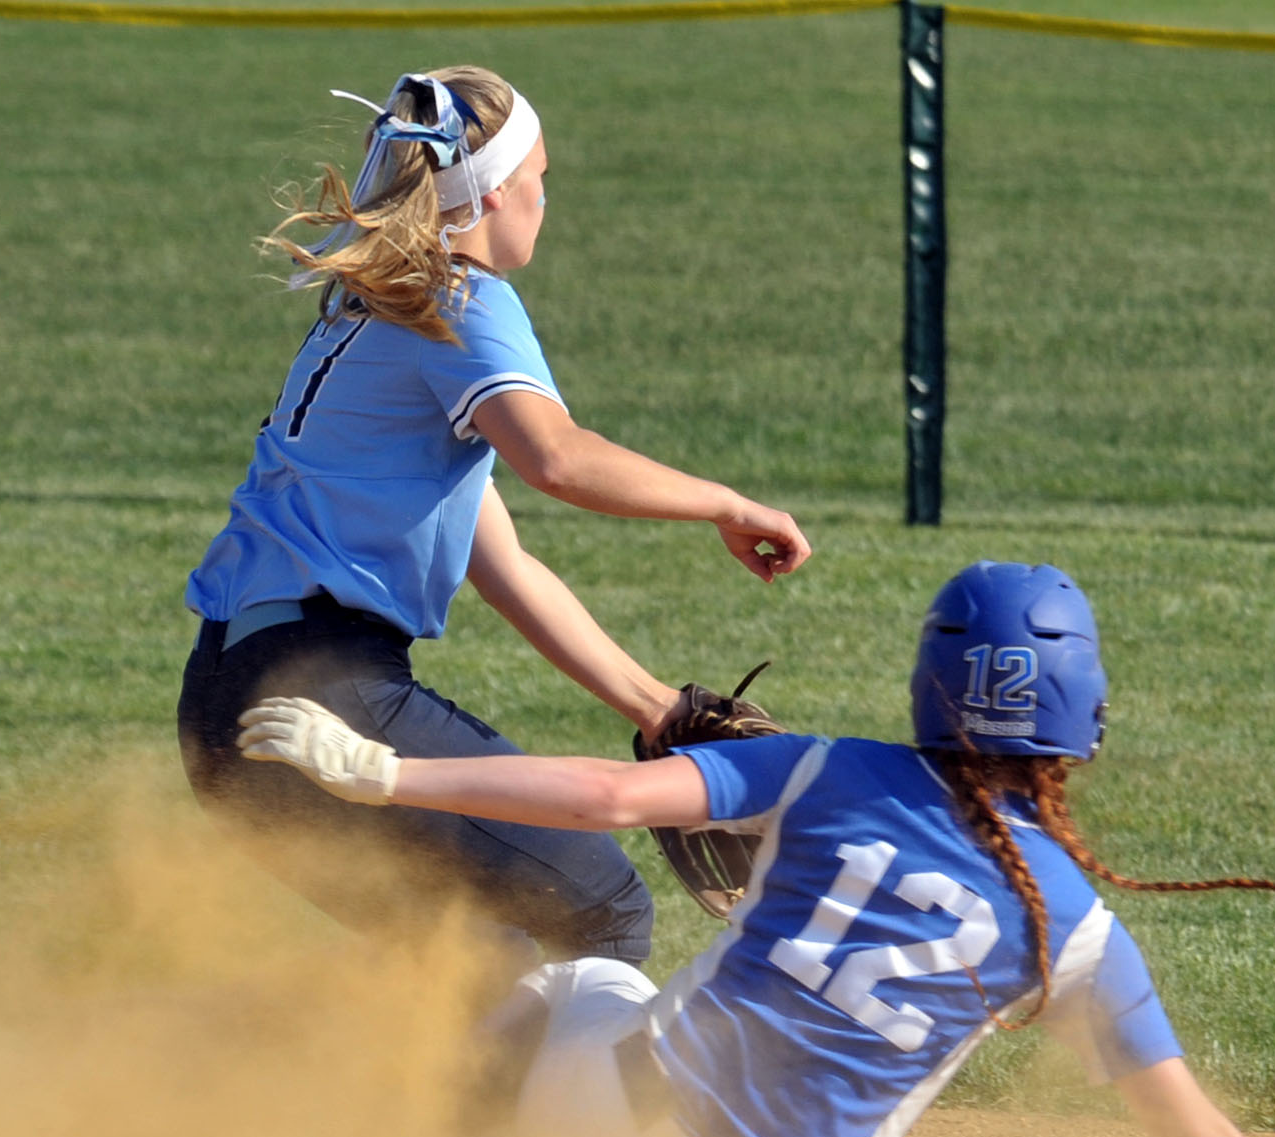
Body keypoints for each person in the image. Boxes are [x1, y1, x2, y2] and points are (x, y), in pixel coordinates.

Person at [234, 561, 1275, 1137]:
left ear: (929, 685)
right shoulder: (1074, 932)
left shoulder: (828, 772)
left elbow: (606, 797)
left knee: (575, 990)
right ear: (1083, 717)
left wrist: (384, 775)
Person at [178, 67, 809, 968]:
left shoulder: (369, 312)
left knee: (474, 957)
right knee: (599, 912)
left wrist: (657, 710)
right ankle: (560, 1113)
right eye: (542, 178)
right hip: (320, 691)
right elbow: (554, 456)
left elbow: (501, 561)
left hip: (222, 714)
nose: (547, 199)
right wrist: (728, 503)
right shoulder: (458, 297)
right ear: (498, 191)